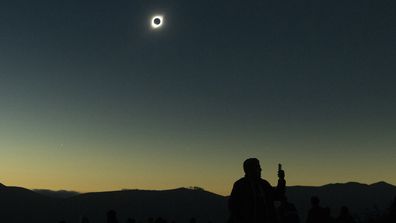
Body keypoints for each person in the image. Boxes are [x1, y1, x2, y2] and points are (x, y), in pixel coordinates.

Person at [228, 158, 286, 223]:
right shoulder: (240, 185)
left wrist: (281, 180)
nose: (261, 169)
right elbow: (233, 206)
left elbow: (277, 196)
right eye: (257, 167)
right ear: (250, 169)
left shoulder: (264, 184)